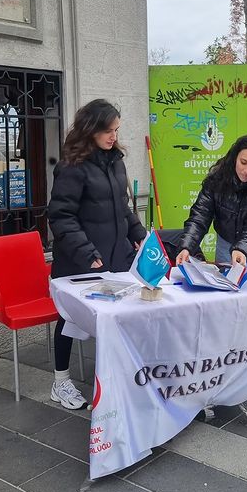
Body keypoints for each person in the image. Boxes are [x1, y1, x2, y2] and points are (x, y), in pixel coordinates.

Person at [48, 99, 146, 409]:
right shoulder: (71, 166)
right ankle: (60, 382)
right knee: (69, 321)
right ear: (91, 129)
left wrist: (141, 237)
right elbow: (61, 216)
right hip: (81, 262)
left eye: (116, 130)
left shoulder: (115, 160)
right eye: (107, 130)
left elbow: (122, 208)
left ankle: (115, 378)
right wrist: (87, 252)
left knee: (117, 319)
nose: (113, 136)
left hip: (115, 260)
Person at [175, 133, 247, 270]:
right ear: (234, 158)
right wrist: (187, 246)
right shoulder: (217, 178)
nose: (246, 170)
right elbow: (200, 216)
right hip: (225, 243)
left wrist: (242, 248)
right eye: (243, 162)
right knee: (226, 287)